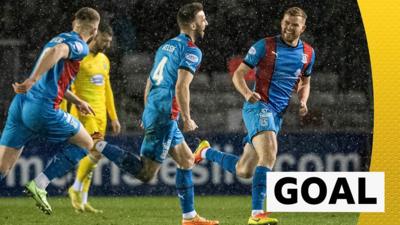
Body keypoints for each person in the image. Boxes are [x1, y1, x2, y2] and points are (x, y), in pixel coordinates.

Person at [88, 3, 218, 225]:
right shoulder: (191, 50)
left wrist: (149, 108)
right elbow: (181, 86)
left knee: (187, 160)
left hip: (156, 108)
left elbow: (150, 79)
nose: (206, 22)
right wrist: (187, 118)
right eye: (203, 18)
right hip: (166, 114)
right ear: (193, 23)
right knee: (146, 174)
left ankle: (189, 218)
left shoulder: (167, 46)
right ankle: (99, 145)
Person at [194, 7, 315, 225]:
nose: (289, 27)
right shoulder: (265, 46)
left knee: (244, 170)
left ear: (303, 28)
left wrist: (304, 100)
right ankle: (256, 214)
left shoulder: (308, 53)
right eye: (286, 22)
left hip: (277, 114)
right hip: (259, 106)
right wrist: (248, 93)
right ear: (282, 22)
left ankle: (205, 152)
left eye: (294, 24)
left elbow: (305, 81)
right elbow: (238, 75)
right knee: (269, 154)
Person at [0, 7, 100, 215]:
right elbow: (57, 53)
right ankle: (40, 183)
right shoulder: (80, 46)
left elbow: (54, 79)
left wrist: (77, 100)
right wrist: (32, 79)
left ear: (74, 21)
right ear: (95, 30)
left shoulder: (57, 38)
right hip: (42, 109)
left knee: (2, 168)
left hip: (21, 105)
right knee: (86, 143)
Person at [59, 23, 120, 213]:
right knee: (97, 152)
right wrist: (63, 113)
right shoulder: (79, 57)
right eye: (104, 40)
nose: (107, 44)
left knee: (92, 156)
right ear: (95, 36)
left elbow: (107, 89)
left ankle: (83, 201)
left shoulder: (104, 60)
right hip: (84, 112)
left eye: (109, 41)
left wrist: (114, 117)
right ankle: (75, 188)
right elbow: (64, 86)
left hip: (100, 115)